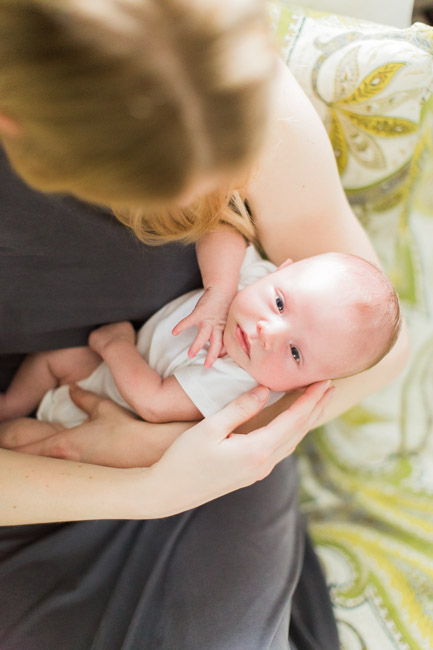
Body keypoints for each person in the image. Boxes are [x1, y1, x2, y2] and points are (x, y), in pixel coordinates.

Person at [0, 1, 409, 650]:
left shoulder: (229, 80)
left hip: (208, 456)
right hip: (34, 477)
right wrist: (140, 487)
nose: (218, 196)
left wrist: (181, 455)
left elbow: (378, 351)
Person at [0, 247, 401, 445]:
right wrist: (221, 284)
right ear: (283, 269)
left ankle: (12, 427)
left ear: (302, 386)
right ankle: (10, 404)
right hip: (92, 372)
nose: (269, 331)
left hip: (95, 421)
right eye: (280, 303)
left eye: (294, 353)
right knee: (54, 357)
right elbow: (222, 227)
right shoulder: (253, 278)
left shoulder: (240, 383)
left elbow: (154, 403)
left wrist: (116, 345)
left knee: (21, 440)